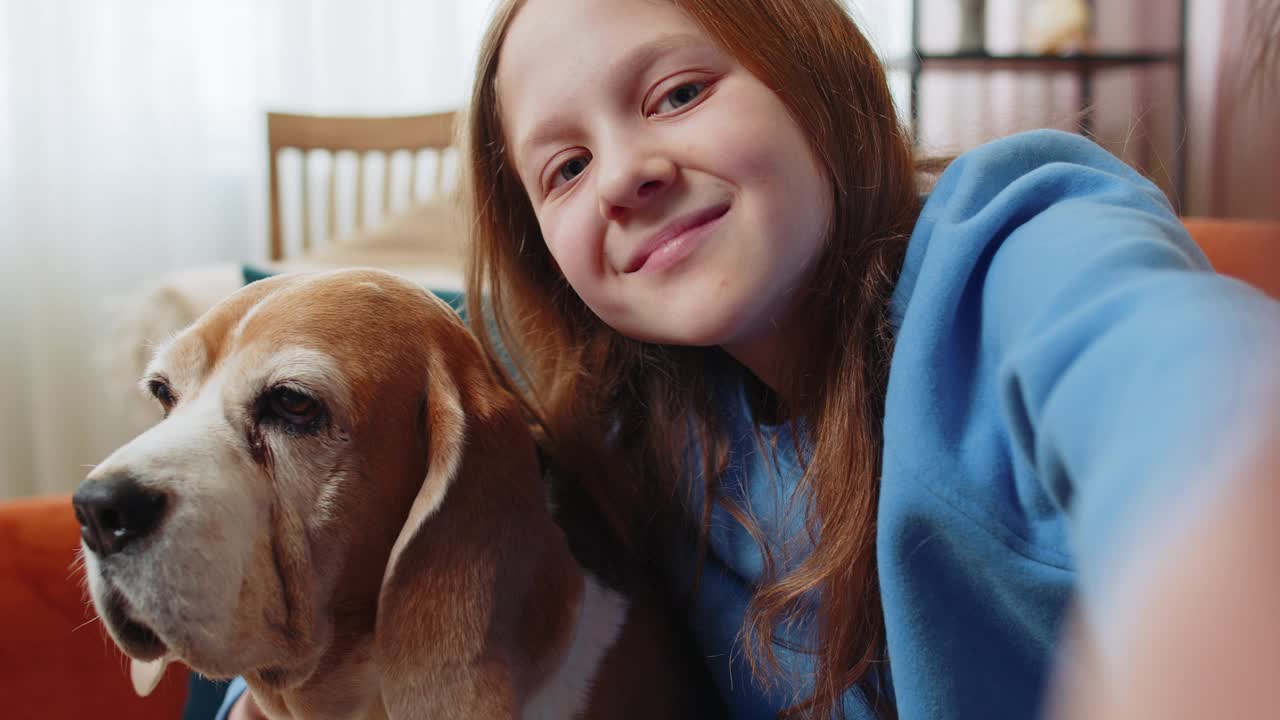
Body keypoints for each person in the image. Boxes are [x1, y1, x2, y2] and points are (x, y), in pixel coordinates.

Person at [221, 0, 1280, 718]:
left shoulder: (1010, 253)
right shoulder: (618, 396)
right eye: (565, 166)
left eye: (678, 93)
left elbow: (1191, 393)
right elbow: (383, 359)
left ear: (809, 72)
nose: (624, 175)